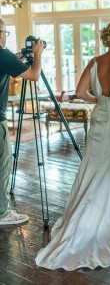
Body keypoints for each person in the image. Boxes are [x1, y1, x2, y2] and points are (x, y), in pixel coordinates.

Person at [35, 21, 110, 271]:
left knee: (93, 166)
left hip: (101, 116)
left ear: (107, 40)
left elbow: (81, 92)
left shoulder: (94, 62)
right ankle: (107, 225)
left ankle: (82, 220)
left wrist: (101, 99)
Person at [0, 18, 44, 225]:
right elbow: (34, 75)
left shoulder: (6, 57)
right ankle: (2, 213)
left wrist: (18, 57)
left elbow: (6, 63)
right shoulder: (2, 54)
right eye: (5, 33)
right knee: (3, 165)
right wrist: (39, 55)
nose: (5, 37)